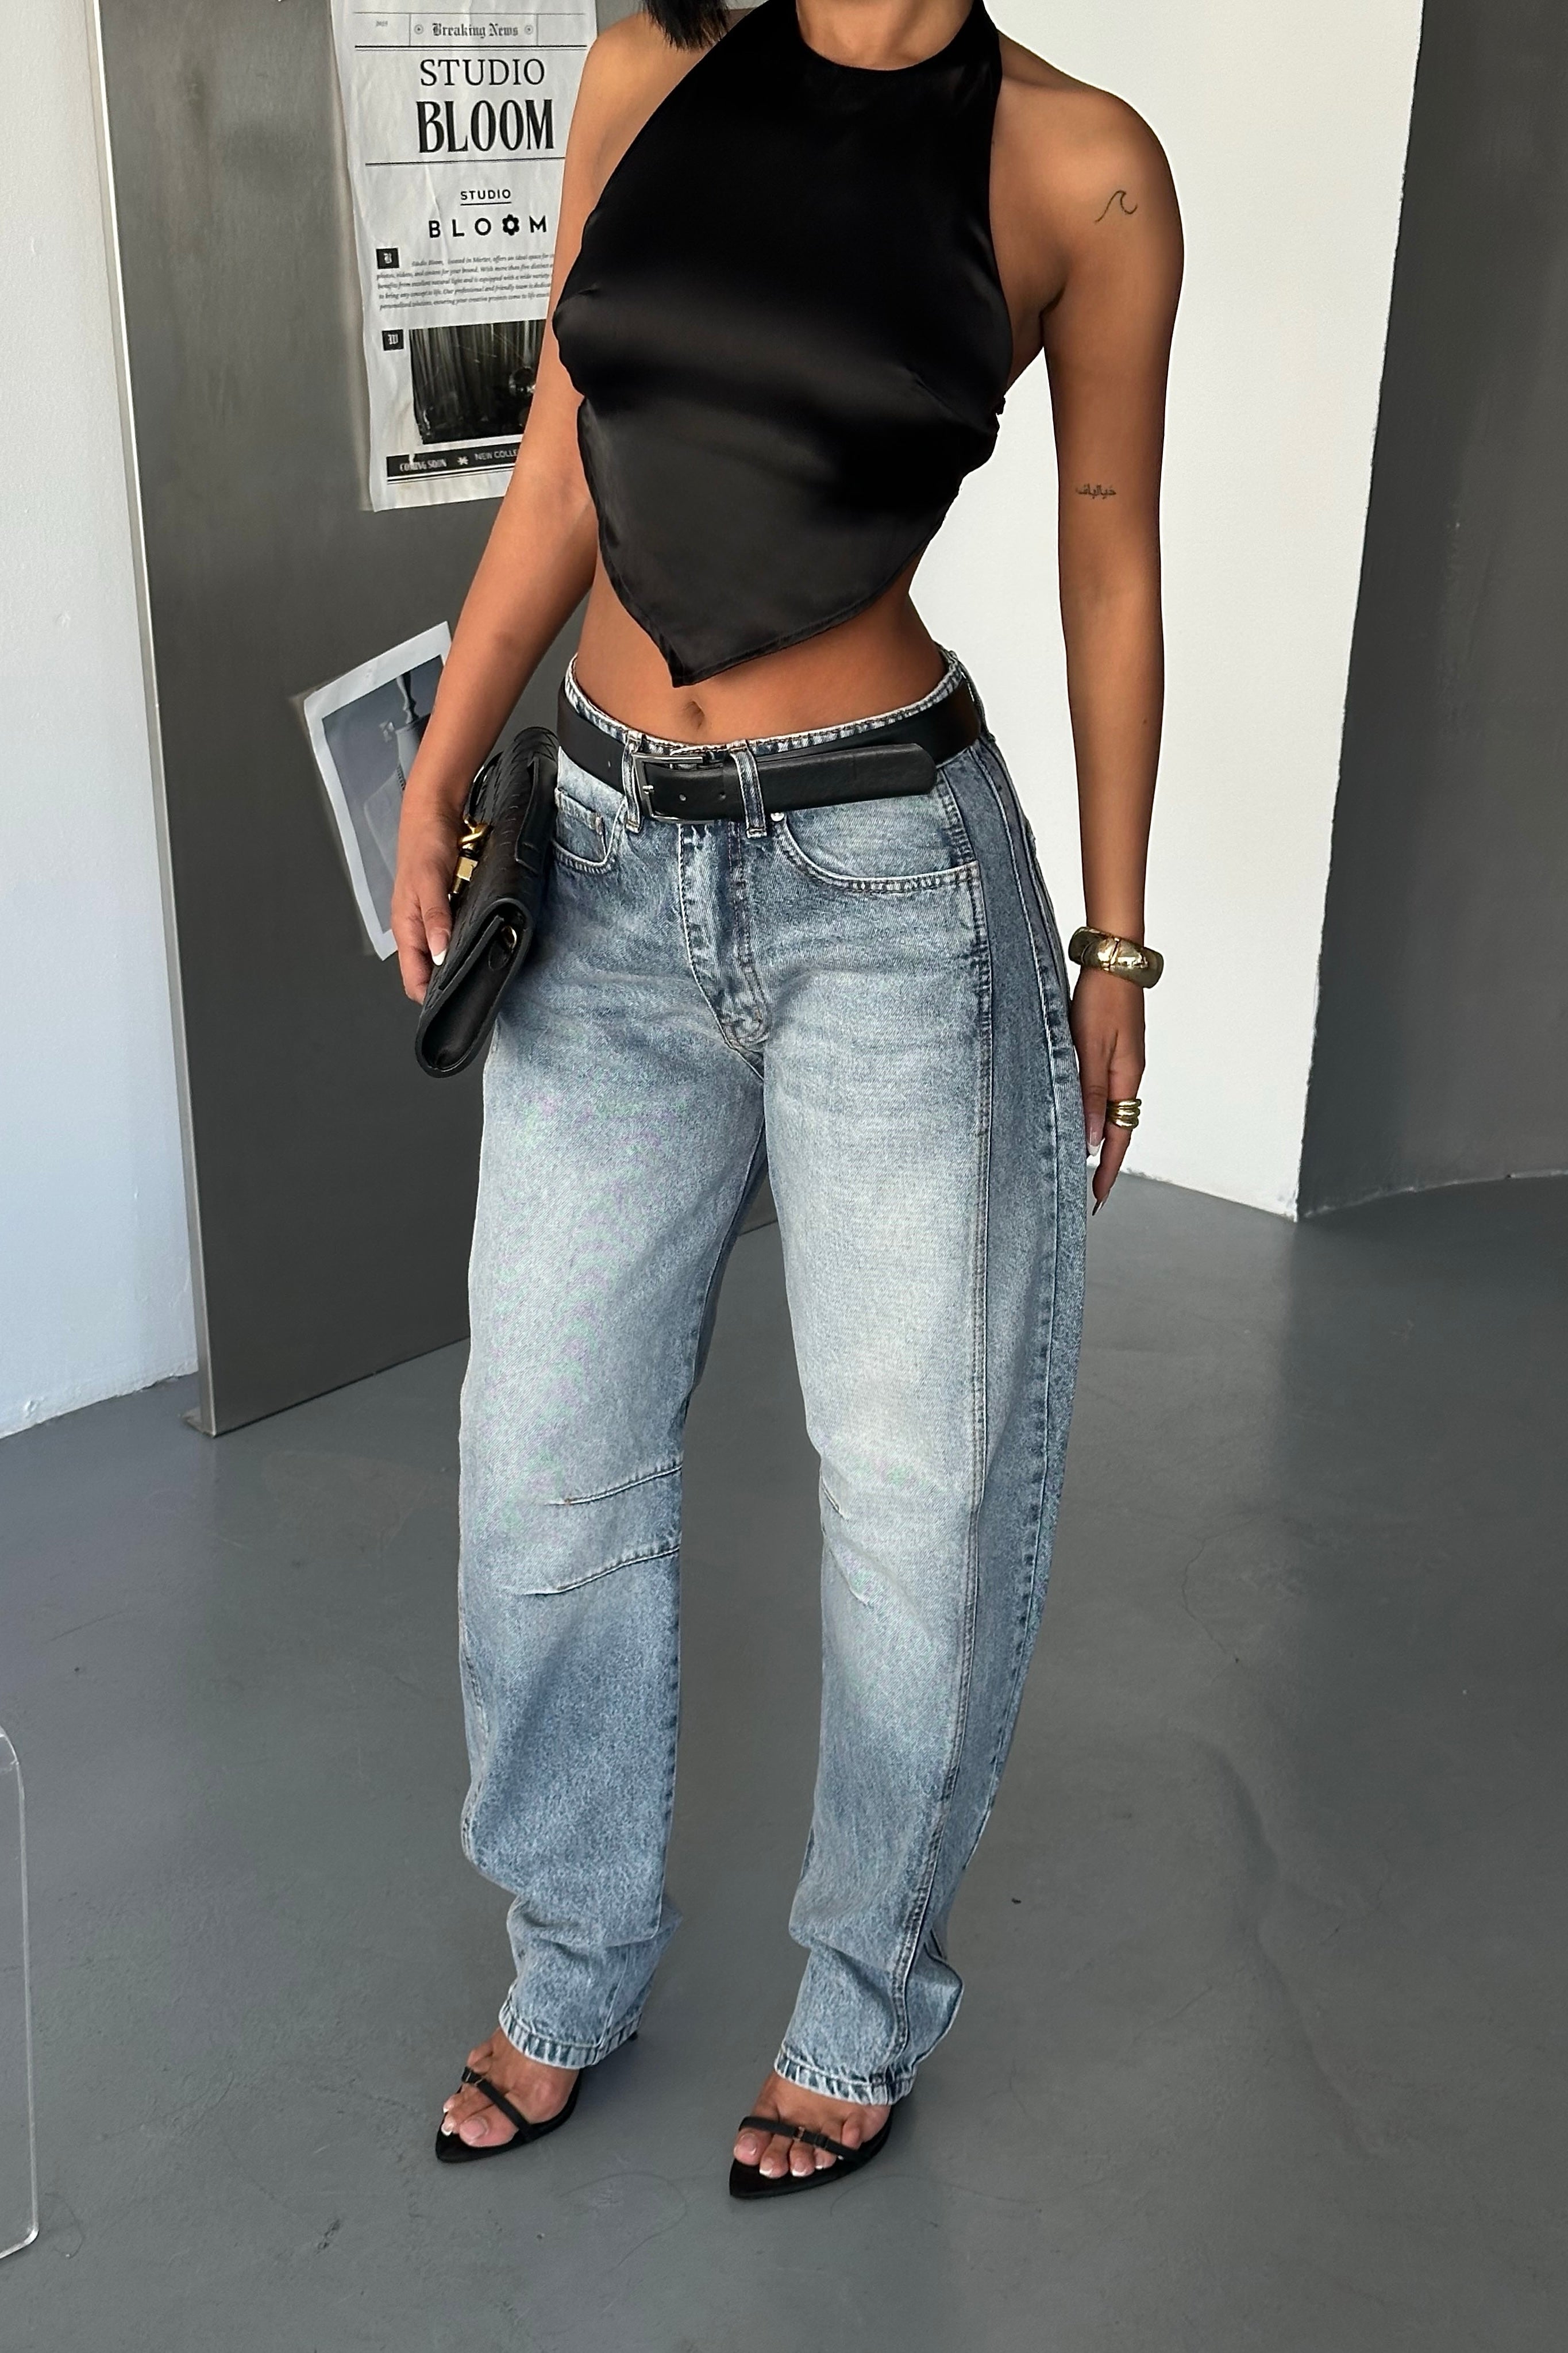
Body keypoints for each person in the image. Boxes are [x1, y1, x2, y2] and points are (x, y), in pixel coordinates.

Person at [392, 0, 1180, 2198]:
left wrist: (1113, 942)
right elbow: (566, 452)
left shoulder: (1081, 169)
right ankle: (569, 1962)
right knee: (539, 1457)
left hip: (889, 892)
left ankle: (861, 2001)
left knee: (917, 1497)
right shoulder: (649, 71)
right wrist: (447, 750)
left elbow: (1108, 555)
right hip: (601, 860)